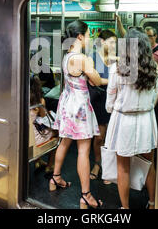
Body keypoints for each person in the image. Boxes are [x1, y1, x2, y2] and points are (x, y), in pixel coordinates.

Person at [50, 20, 104, 209]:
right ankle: (85, 195)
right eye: (89, 34)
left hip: (67, 104)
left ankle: (55, 178)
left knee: (64, 142)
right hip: (80, 107)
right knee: (83, 150)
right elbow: (96, 81)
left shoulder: (67, 57)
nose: (90, 38)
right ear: (80, 36)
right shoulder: (82, 58)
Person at [105, 28, 158, 209]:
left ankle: (125, 208)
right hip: (146, 120)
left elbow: (110, 101)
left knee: (123, 167)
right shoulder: (154, 68)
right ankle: (152, 203)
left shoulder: (117, 69)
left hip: (124, 121)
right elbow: (154, 98)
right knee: (148, 164)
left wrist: (112, 108)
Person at [89, 30, 117, 184]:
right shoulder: (92, 58)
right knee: (99, 137)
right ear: (102, 42)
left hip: (113, 101)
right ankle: (97, 164)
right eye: (111, 42)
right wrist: (112, 80)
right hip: (98, 101)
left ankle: (108, 168)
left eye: (115, 43)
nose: (114, 45)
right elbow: (95, 81)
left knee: (111, 138)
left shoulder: (114, 60)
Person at [30, 74, 55, 173]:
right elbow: (43, 116)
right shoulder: (40, 101)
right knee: (56, 134)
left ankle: (38, 161)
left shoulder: (18, 99)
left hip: (22, 138)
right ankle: (50, 166)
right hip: (34, 140)